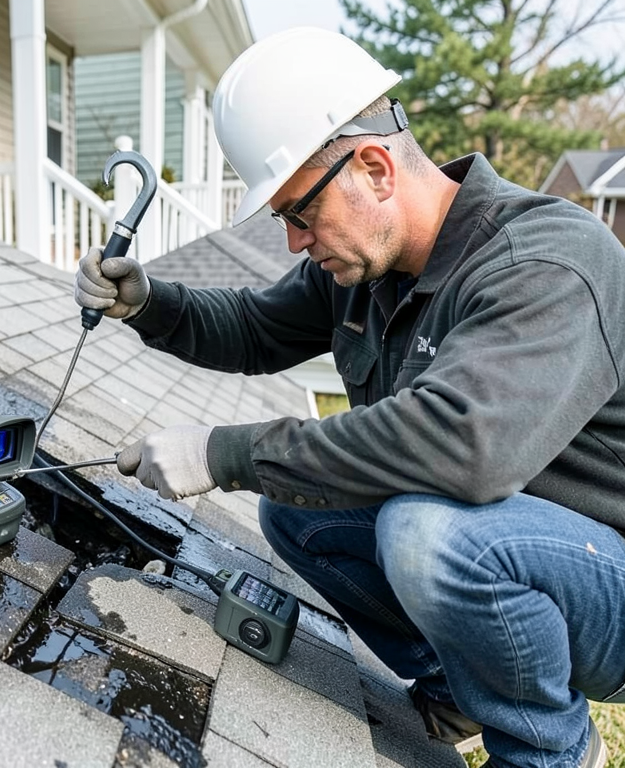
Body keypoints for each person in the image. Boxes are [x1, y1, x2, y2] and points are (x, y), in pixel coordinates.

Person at [75, 26, 625, 768]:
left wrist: (224, 451)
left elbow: (465, 447)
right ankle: (459, 692)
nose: (296, 242)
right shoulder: (371, 266)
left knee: (425, 535)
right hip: (516, 553)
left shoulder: (548, 262)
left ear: (373, 166)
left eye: (300, 213)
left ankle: (550, 751)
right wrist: (147, 303)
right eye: (284, 222)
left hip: (606, 576)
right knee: (300, 505)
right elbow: (254, 330)